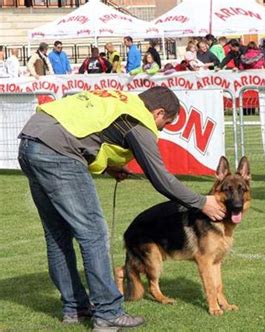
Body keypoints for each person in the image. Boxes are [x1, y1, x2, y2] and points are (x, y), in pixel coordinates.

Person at [17, 86, 226, 330]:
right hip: (58, 153)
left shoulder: (120, 100)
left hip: (30, 142)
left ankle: (75, 307)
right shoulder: (138, 120)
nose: (162, 129)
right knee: (93, 234)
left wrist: (108, 167)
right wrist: (203, 202)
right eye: (166, 123)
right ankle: (108, 312)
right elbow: (161, 179)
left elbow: (86, 131)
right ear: (158, 113)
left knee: (57, 236)